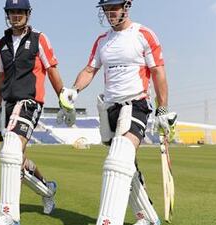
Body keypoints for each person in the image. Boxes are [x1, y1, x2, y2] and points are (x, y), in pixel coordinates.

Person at [59, 0, 176, 225]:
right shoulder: (103, 41)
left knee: (118, 160)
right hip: (111, 109)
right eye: (106, 8)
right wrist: (74, 89)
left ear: (126, 6)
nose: (110, 12)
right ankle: (150, 219)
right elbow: (90, 69)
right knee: (126, 165)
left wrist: (162, 109)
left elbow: (158, 71)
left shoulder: (143, 34)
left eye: (114, 7)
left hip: (136, 104)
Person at [0, 0, 65, 224]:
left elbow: (51, 69)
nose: (16, 15)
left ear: (28, 14)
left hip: (30, 101)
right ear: (7, 15)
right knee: (15, 158)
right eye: (12, 12)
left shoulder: (39, 38)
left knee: (11, 151)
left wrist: (64, 100)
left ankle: (9, 215)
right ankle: (47, 190)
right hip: (8, 104)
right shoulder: (1, 43)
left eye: (20, 11)